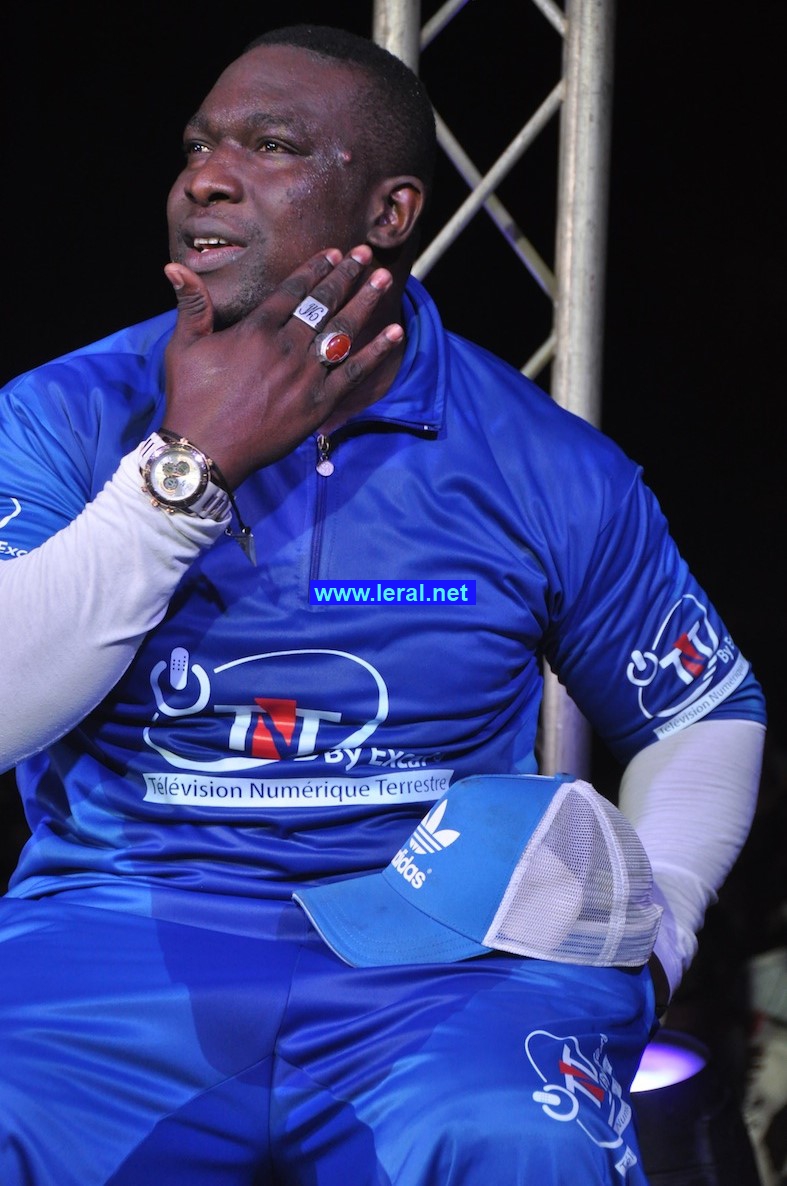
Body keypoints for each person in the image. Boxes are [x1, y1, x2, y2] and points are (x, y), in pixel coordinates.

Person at [0, 22, 766, 1186]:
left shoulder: (538, 458)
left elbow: (704, 712)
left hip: (437, 949)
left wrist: (658, 930)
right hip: (113, 930)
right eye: (199, 147)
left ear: (391, 212)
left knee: (519, 1138)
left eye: (270, 146)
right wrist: (185, 471)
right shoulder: (63, 416)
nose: (207, 178)